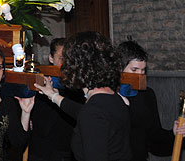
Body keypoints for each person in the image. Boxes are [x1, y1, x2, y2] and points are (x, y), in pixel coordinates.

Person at [37, 32, 131, 161]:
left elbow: (90, 115)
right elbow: (81, 112)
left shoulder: (93, 112)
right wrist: (53, 95)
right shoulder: (112, 98)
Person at [117, 40, 185, 161]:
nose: (140, 75)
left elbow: (154, 138)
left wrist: (174, 134)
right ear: (119, 69)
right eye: (134, 70)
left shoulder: (147, 95)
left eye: (143, 70)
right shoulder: (108, 95)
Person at [29, 38, 83, 161]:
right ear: (51, 58)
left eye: (70, 59)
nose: (66, 64)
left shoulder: (78, 85)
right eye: (61, 59)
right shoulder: (39, 80)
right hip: (41, 150)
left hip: (68, 150)